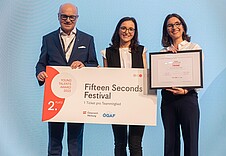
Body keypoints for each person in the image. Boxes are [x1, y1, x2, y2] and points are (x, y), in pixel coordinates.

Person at [35, 3, 98, 156]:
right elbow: (41, 63)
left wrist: (84, 65)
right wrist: (40, 72)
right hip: (55, 97)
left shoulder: (87, 39)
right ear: (58, 17)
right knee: (55, 140)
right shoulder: (48, 39)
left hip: (78, 98)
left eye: (72, 17)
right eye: (64, 16)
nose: (68, 20)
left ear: (77, 18)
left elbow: (94, 63)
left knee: (75, 141)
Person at [101, 17, 147, 156]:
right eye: (123, 28)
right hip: (116, 104)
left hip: (138, 104)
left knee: (135, 144)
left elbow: (146, 76)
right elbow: (106, 80)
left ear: (135, 32)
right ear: (118, 30)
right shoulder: (107, 53)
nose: (127, 32)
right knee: (120, 143)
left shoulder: (142, 51)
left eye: (131, 29)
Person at [160, 13, 202, 156]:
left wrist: (185, 91)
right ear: (166, 30)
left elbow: (198, 75)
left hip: (187, 98)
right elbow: (159, 78)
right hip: (168, 100)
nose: (174, 27)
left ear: (183, 27)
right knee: (170, 143)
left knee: (191, 141)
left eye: (177, 24)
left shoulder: (194, 47)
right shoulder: (163, 52)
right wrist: (168, 57)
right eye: (170, 25)